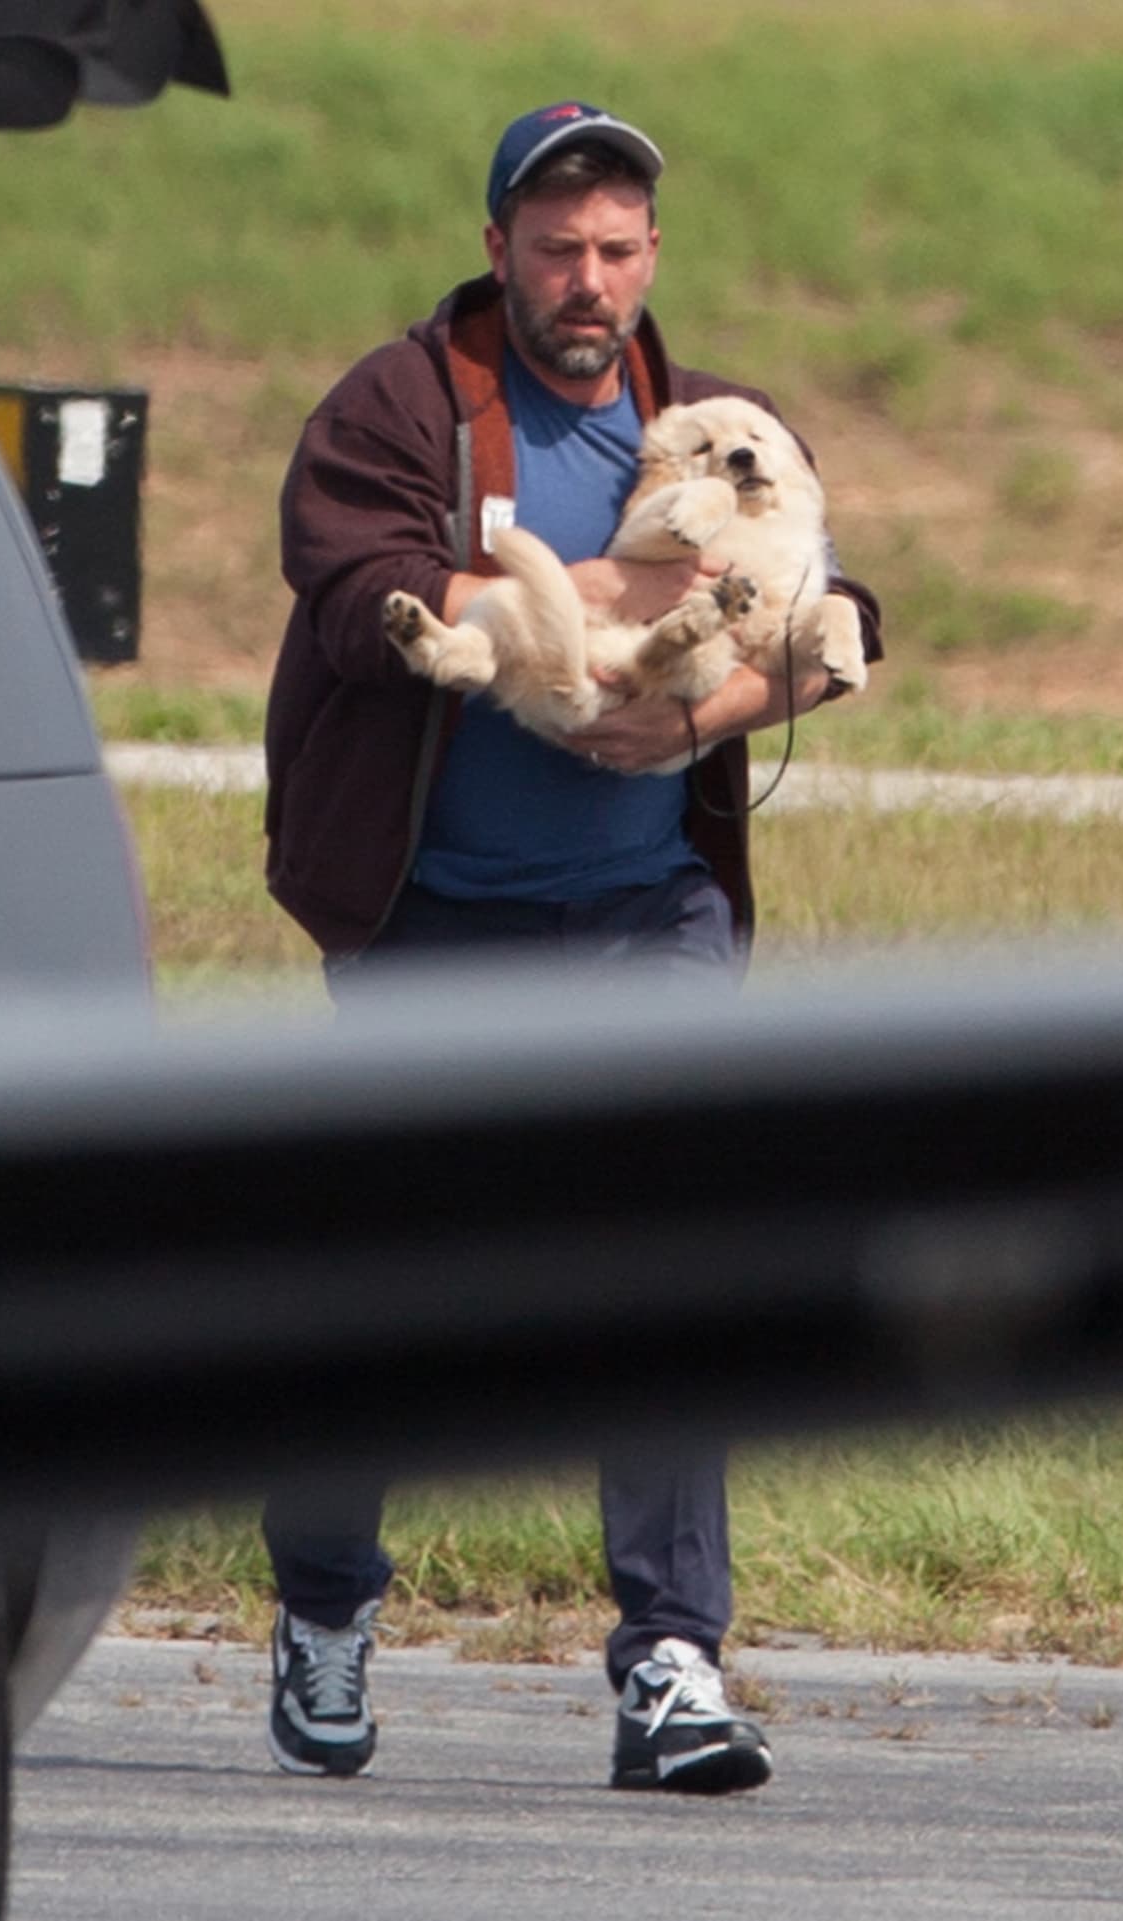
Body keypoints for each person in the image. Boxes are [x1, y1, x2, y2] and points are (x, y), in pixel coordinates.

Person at [261, 100, 883, 1794]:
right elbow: (363, 594)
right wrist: (598, 610)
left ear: (652, 257)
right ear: (499, 253)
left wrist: (722, 710)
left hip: (648, 919)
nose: (588, 282)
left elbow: (843, 603)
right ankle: (325, 1602)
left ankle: (671, 1659)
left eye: (616, 251)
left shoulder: (717, 425)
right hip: (435, 921)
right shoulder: (399, 408)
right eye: (556, 251)